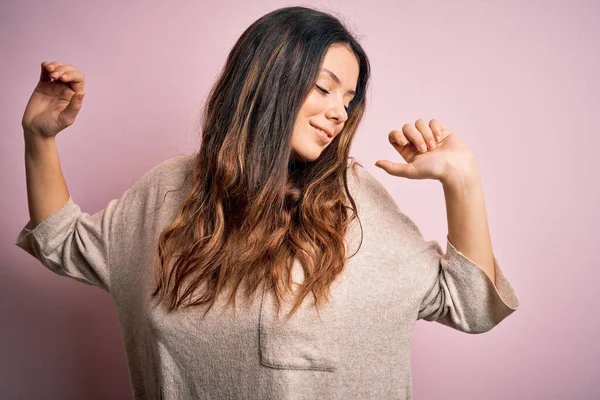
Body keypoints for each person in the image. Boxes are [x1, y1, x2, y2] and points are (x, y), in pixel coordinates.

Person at [16, 6, 520, 400]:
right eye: (324, 87)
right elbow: (62, 240)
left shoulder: (355, 200)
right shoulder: (170, 192)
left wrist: (462, 180)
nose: (339, 112)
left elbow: (472, 304)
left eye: (349, 100)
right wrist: (39, 138)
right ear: (266, 82)